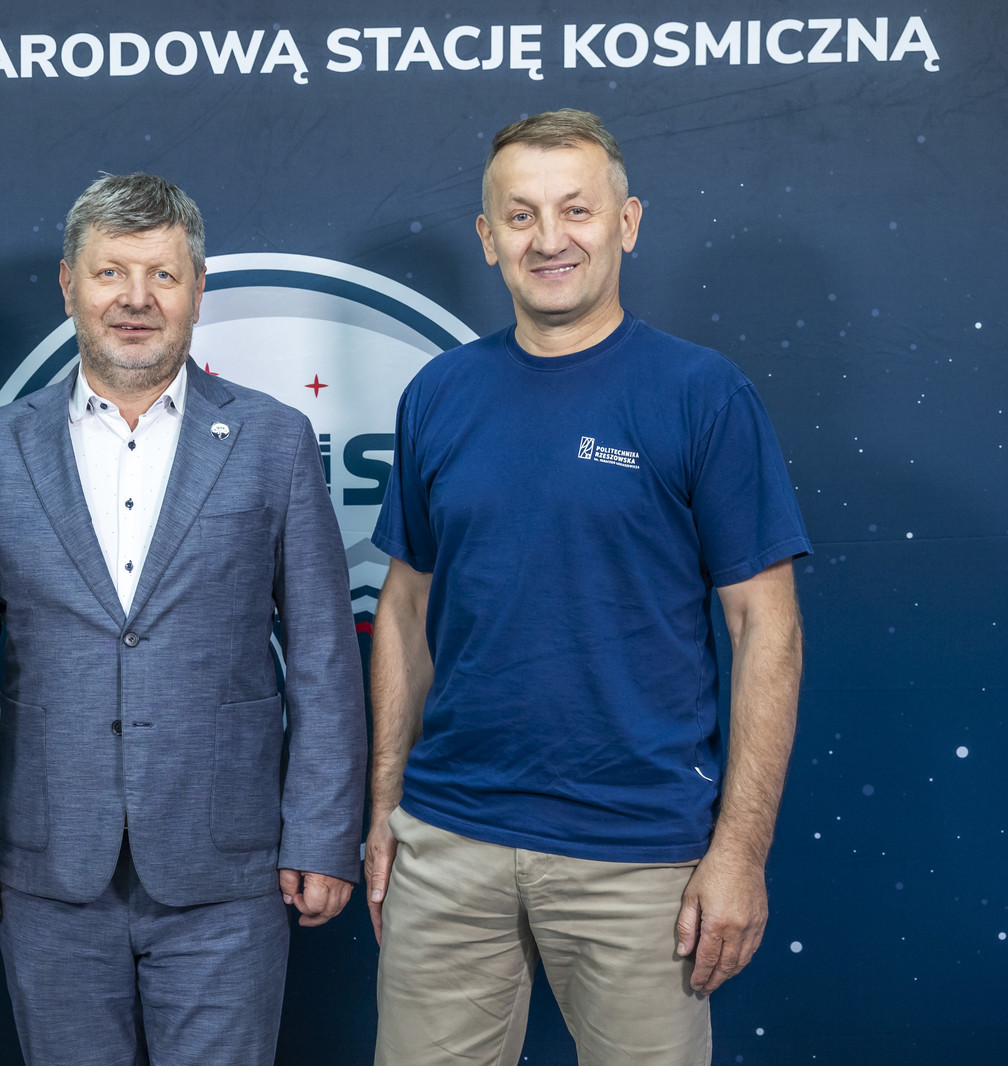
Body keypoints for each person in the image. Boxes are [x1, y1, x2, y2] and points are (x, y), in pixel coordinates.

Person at [366, 110, 811, 1066]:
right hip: (449, 842)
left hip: (640, 854)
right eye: (521, 215)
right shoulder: (438, 394)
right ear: (488, 237)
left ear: (627, 222)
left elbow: (765, 629)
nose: (550, 239)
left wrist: (739, 852)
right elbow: (403, 610)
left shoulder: (703, 394)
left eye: (577, 209)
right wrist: (385, 810)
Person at [0, 172, 366, 1066]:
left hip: (229, 871)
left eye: (162, 275)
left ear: (197, 288)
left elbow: (324, 657)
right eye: (111, 273)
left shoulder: (273, 441)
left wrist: (324, 835)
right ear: (69, 285)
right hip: (48, 871)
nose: (136, 299)